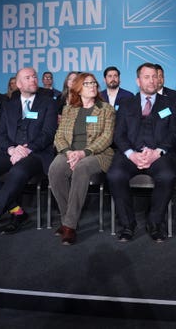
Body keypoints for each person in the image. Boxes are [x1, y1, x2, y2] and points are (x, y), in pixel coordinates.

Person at [0, 67, 57, 239]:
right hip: (11, 151)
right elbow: (0, 134)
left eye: (34, 77)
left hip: (37, 154)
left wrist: (26, 149)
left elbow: (47, 134)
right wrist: (11, 149)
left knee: (18, 170)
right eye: (28, 77)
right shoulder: (9, 105)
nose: (33, 80)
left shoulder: (48, 103)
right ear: (18, 84)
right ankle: (17, 211)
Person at [106, 62, 176, 243]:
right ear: (138, 81)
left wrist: (158, 152)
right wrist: (131, 154)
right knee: (115, 175)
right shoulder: (126, 103)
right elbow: (119, 134)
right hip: (131, 154)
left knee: (168, 176)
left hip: (158, 154)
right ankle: (127, 224)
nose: (152, 80)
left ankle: (155, 223)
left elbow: (175, 132)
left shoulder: (169, 102)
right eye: (147, 77)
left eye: (155, 76)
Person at [48, 72, 115, 245]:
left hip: (96, 154)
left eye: (94, 83)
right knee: (55, 169)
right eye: (87, 84)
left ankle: (69, 226)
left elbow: (106, 138)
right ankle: (67, 219)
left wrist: (83, 153)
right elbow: (59, 136)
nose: (93, 86)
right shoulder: (69, 109)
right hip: (70, 152)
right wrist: (69, 152)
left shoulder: (106, 109)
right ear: (78, 88)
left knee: (82, 167)